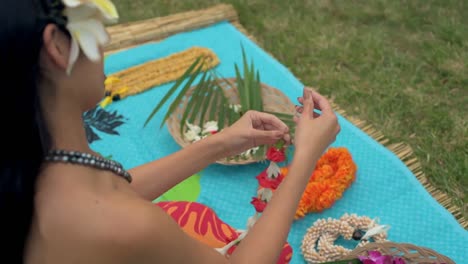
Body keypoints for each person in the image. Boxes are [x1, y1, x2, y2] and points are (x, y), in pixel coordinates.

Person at [0, 0, 340, 263]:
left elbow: (111, 190)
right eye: (97, 30)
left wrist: (219, 144)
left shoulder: (34, 163)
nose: (105, 44)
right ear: (57, 48)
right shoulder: (126, 224)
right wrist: (307, 155)